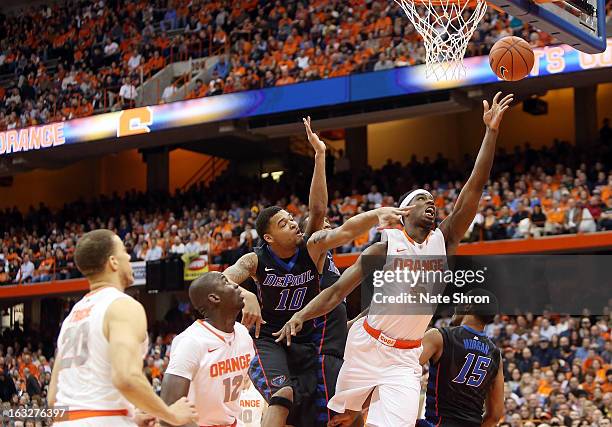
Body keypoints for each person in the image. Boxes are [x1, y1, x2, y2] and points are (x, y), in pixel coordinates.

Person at [275, 92, 513, 426]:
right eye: (421, 199)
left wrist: (490, 132)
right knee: (337, 419)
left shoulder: (443, 241)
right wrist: (301, 314)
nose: (431, 202)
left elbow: (473, 190)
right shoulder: (384, 247)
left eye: (433, 199)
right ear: (403, 212)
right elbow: (336, 292)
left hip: (405, 357)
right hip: (367, 345)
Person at [224, 117, 410, 427]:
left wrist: (322, 157)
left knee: (319, 414)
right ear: (269, 238)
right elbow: (223, 278)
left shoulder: (311, 249)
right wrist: (245, 294)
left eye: (291, 218)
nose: (293, 223)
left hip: (306, 339)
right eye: (283, 223)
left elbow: (334, 222)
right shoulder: (255, 260)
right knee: (282, 395)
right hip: (271, 338)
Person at [50, 229, 198, 426]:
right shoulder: (122, 305)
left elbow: (53, 399)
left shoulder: (71, 318)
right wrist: (171, 415)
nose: (129, 256)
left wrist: (127, 415)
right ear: (113, 262)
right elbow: (126, 378)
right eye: (124, 251)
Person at [160, 272, 254, 427]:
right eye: (226, 283)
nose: (236, 285)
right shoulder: (191, 342)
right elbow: (168, 412)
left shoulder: (243, 334)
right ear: (214, 298)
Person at [417, 289, 504, 427]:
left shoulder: (439, 336)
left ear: (468, 306)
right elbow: (495, 416)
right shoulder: (495, 355)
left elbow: (403, 369)